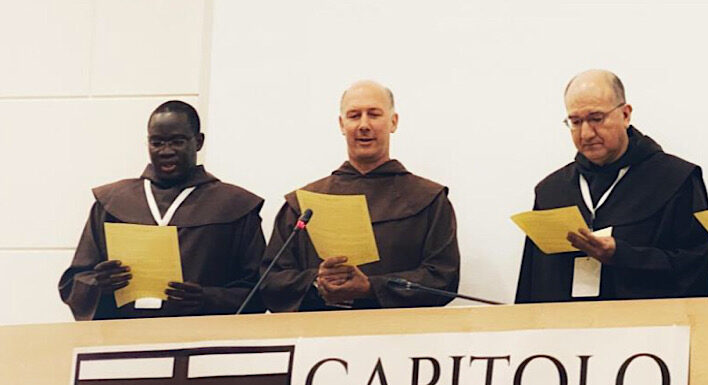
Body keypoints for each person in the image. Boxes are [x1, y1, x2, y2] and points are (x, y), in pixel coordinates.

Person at [515, 70, 708, 302]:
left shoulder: (676, 179)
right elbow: (532, 284)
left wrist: (623, 255)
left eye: (596, 118)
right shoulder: (552, 191)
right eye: (576, 122)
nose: (586, 134)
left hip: (647, 321)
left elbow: (695, 268)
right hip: (565, 323)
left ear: (625, 115)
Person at [260, 80, 460, 311]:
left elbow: (443, 277)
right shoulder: (303, 204)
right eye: (354, 116)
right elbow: (272, 281)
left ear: (393, 122)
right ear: (342, 124)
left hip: (400, 330)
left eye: (374, 114)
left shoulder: (429, 199)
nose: (364, 125)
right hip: (321, 329)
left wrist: (371, 287)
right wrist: (318, 281)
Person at [59, 101, 266, 320]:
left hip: (201, 334)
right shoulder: (111, 202)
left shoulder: (234, 206)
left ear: (198, 141)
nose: (166, 151)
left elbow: (260, 291)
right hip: (124, 334)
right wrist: (99, 283)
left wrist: (208, 298)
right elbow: (73, 283)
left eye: (177, 142)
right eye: (157, 143)